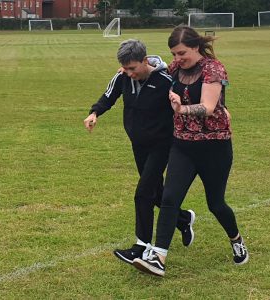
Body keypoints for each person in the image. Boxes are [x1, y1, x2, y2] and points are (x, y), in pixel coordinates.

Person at [132, 26, 249, 277]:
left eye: (181, 53)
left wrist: (180, 110)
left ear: (195, 47)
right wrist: (134, 66)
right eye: (174, 54)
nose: (177, 59)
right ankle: (159, 257)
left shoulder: (213, 69)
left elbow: (207, 107)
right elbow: (156, 66)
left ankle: (236, 239)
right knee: (169, 199)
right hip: (183, 145)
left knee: (216, 204)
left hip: (214, 146)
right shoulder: (175, 69)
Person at [83, 39, 196, 265]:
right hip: (138, 143)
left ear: (145, 61)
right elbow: (109, 95)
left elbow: (184, 102)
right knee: (154, 191)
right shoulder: (123, 76)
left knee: (143, 192)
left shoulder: (166, 81)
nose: (129, 73)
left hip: (162, 145)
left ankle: (141, 246)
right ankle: (183, 219)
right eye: (125, 68)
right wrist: (94, 113)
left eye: (133, 68)